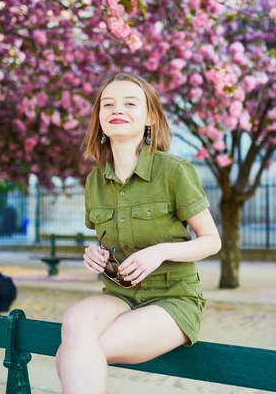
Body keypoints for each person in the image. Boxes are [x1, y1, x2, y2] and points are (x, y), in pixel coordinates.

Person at [55, 72, 222, 393]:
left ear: (149, 117)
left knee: (72, 351)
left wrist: (159, 251)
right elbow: (105, 239)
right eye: (108, 104)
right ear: (100, 119)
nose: (118, 109)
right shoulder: (94, 182)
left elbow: (211, 241)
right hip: (119, 295)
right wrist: (95, 253)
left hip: (172, 298)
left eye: (130, 103)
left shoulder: (174, 170)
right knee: (76, 317)